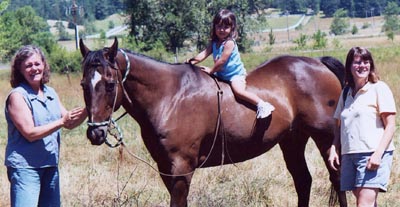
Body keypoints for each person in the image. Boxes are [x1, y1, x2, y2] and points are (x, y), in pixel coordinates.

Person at [4, 45, 87, 206]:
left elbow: (69, 123)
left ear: (44, 65)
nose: (34, 69)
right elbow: (30, 133)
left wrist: (89, 109)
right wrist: (61, 122)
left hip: (50, 165)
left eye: (37, 64)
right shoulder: (18, 96)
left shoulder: (50, 93)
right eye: (28, 65)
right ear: (20, 70)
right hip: (25, 169)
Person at [328, 47, 396, 207]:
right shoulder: (346, 93)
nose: (362, 66)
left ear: (371, 65)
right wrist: (333, 148)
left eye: (366, 62)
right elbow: (339, 125)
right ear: (349, 66)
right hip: (349, 155)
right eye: (357, 62)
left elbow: (391, 125)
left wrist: (378, 154)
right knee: (367, 202)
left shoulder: (379, 88)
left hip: (372, 154)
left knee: (363, 203)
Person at [188, 9, 275, 119]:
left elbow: (222, 61)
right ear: (214, 27)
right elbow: (204, 53)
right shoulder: (214, 43)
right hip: (221, 74)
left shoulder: (229, 43)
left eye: (226, 27)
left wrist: (211, 70)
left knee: (238, 91)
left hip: (234, 75)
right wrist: (192, 61)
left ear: (231, 28)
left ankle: (262, 105)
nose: (222, 30)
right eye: (219, 26)